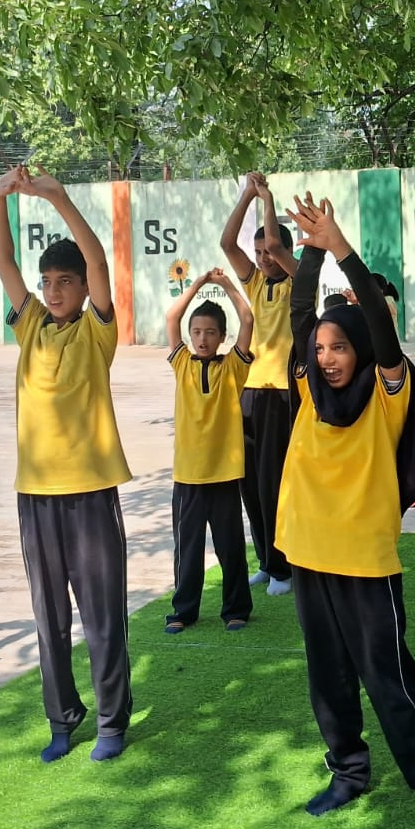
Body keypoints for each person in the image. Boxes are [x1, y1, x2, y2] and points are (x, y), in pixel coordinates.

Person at [277, 194, 415, 824]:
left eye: (339, 348)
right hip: (308, 548)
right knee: (327, 675)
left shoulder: (386, 391)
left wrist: (341, 250)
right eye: (321, 348)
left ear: (362, 351)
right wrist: (309, 253)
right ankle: (348, 770)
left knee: (387, 673)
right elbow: (300, 312)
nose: (326, 357)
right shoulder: (308, 388)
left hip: (364, 556)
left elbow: (378, 321)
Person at [0, 166, 132, 764]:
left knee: (101, 617)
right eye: (47, 282)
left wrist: (56, 196)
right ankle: (62, 719)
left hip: (91, 492)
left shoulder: (96, 334)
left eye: (64, 283)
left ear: (81, 289)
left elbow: (97, 260)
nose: (53, 292)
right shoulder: (29, 328)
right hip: (35, 495)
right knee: (48, 618)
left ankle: (111, 721)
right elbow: (2, 261)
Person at [164, 267, 255, 633]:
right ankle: (183, 611)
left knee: (230, 547)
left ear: (221, 337)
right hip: (188, 475)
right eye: (197, 332)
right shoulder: (181, 363)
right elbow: (172, 317)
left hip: (224, 474)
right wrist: (199, 283)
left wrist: (227, 284)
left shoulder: (233, 367)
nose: (203, 339)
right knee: (187, 549)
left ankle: (236, 609)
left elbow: (247, 318)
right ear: (190, 335)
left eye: (210, 333)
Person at [222, 172, 299, 598]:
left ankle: (286, 567)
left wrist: (266, 199)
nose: (263, 258)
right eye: (258, 254)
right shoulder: (254, 283)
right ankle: (267, 563)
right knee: (249, 483)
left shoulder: (298, 280)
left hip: (282, 394)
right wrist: (246, 196)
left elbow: (275, 244)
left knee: (274, 483)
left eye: (268, 252)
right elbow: (227, 243)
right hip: (249, 391)